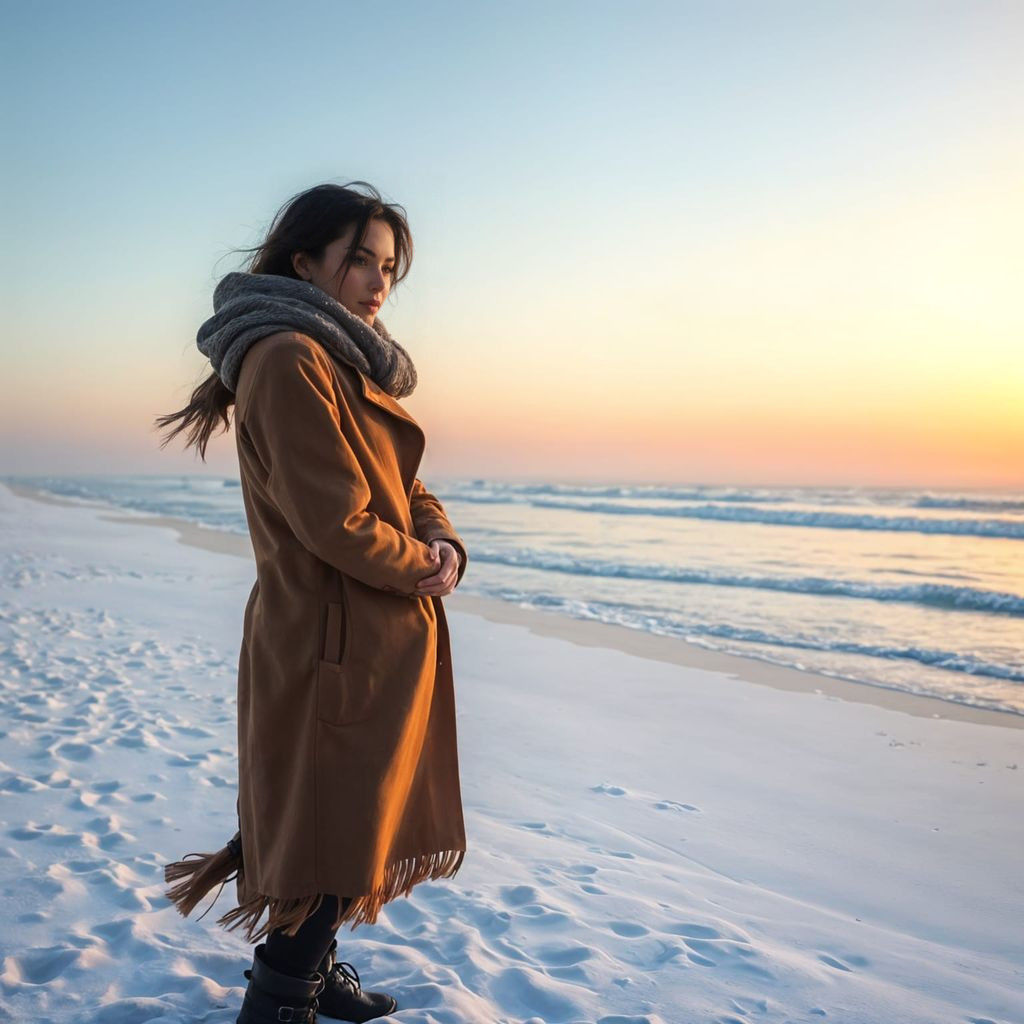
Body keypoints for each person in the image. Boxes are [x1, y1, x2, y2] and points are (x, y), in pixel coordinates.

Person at [154, 181, 469, 1023]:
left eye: (390, 267)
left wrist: (441, 544)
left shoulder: (339, 358)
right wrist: (420, 568)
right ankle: (282, 999)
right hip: (332, 637)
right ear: (306, 262)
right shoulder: (291, 358)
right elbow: (338, 524)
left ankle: (311, 970)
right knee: (332, 825)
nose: (377, 282)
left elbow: (406, 486)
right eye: (359, 259)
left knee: (346, 820)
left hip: (369, 634)